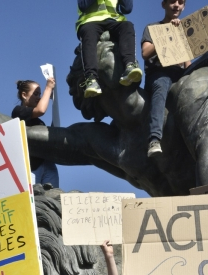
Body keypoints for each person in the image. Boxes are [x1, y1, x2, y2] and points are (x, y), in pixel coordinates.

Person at [142, 0, 190, 157]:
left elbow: (187, 63)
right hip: (159, 73)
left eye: (181, 2)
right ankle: (154, 138)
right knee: (162, 85)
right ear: (163, 4)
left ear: (184, 6)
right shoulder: (152, 28)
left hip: (179, 73)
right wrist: (168, 32)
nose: (176, 5)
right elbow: (145, 53)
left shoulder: (183, 30)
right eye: (172, 1)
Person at [76, 0, 142, 97]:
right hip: (90, 22)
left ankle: (130, 65)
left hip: (114, 21)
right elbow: (83, 5)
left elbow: (127, 9)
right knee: (89, 35)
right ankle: (91, 78)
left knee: (127, 26)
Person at [12, 79, 59, 187]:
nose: (39, 97)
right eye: (36, 94)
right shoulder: (18, 111)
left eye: (40, 94)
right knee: (34, 199)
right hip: (31, 166)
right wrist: (48, 88)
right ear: (24, 95)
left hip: (48, 164)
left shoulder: (39, 122)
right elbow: (41, 110)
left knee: (53, 198)